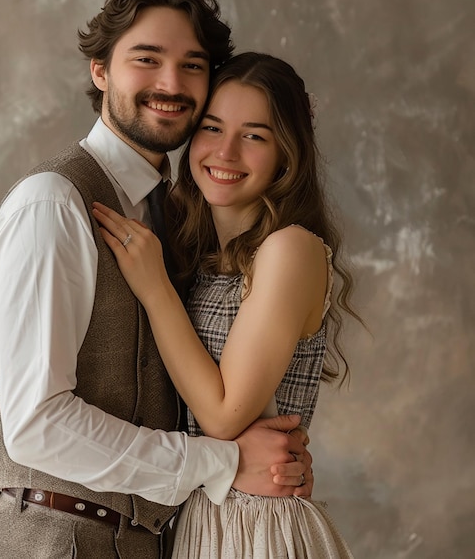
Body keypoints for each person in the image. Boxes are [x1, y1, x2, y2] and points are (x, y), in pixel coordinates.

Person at [0, 0, 313, 559]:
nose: (171, 83)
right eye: (147, 59)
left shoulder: (177, 218)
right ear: (100, 70)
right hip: (54, 541)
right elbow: (35, 425)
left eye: (193, 66)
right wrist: (226, 460)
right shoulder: (52, 203)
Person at [93, 52, 360, 557]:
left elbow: (221, 415)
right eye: (212, 128)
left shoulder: (290, 249)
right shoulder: (201, 253)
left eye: (254, 136)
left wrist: (154, 289)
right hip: (202, 515)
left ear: (288, 153)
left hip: (257, 525)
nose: (226, 152)